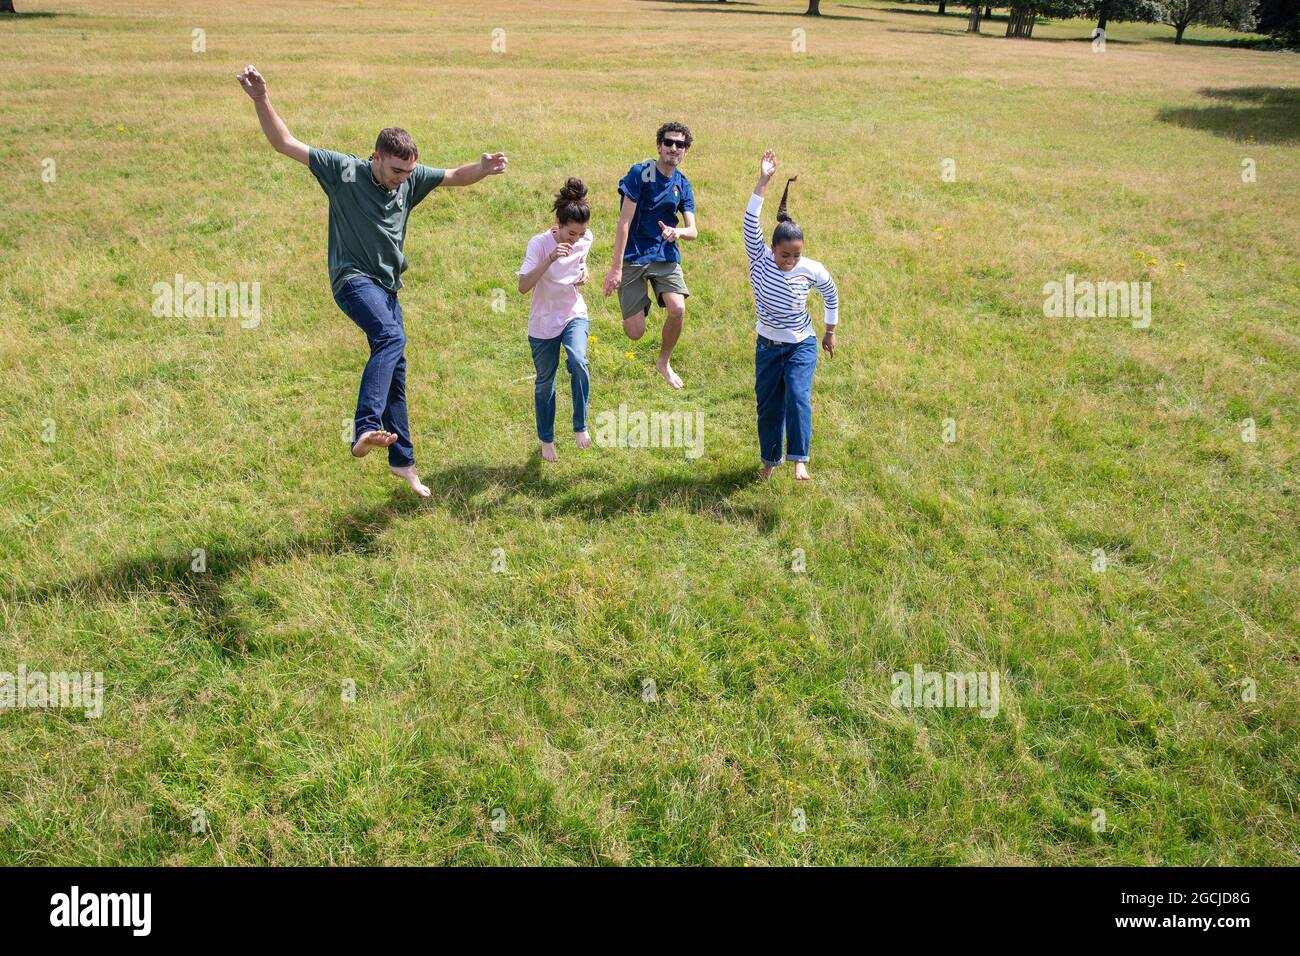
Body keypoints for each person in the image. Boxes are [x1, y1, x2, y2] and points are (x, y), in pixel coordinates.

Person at [235, 64, 508, 497]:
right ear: (376, 157)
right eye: (397, 170)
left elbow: (455, 177)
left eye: (408, 171)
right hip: (351, 279)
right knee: (389, 338)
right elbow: (283, 143)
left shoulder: (410, 178)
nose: (404, 179)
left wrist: (482, 166)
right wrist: (260, 99)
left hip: (386, 285)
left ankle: (404, 463)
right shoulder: (343, 171)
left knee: (397, 367)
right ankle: (364, 427)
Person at [744, 149, 840, 481]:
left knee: (798, 396)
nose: (791, 260)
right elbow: (749, 220)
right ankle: (770, 463)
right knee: (768, 404)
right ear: (772, 249)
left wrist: (830, 330)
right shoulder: (759, 258)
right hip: (768, 346)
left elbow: (831, 293)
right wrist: (764, 179)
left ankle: (800, 458)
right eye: (785, 254)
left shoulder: (811, 269)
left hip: (802, 344)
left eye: (796, 254)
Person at [603, 123, 697, 390]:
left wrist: (677, 232)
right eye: (668, 143)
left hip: (664, 255)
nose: (673, 148)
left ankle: (663, 363)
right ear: (659, 146)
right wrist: (615, 268)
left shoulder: (682, 184)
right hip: (634, 256)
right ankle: (639, 302)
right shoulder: (640, 174)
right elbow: (624, 222)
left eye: (680, 145)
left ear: (685, 151)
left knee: (678, 308)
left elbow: (693, 230)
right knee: (635, 333)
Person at [517, 179, 595, 462]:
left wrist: (584, 274)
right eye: (571, 233)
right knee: (545, 382)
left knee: (578, 361)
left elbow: (581, 265)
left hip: (573, 313)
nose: (575, 239)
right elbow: (523, 286)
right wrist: (550, 258)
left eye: (580, 233)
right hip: (543, 323)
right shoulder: (539, 244)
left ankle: (580, 425)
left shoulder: (585, 239)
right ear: (558, 225)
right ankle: (546, 439)